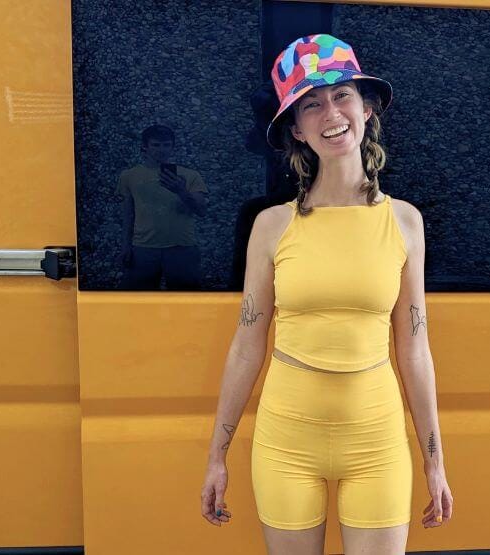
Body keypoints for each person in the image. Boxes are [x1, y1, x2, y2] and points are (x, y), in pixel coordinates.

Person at [201, 34, 453, 554]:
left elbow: (414, 348)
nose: (331, 112)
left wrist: (434, 460)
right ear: (296, 129)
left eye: (342, 95)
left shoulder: (405, 222)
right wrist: (216, 455)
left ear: (366, 108)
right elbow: (248, 343)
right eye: (311, 104)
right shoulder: (272, 226)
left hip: (376, 441)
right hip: (286, 441)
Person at [115, 124, 208, 290]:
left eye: (166, 145)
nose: (161, 149)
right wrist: (125, 247)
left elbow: (201, 210)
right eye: (156, 145)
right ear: (145, 146)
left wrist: (181, 191)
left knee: (187, 298)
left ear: (173, 147)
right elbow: (128, 215)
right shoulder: (129, 176)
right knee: (139, 301)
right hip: (143, 248)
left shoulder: (190, 175)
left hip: (182, 247)